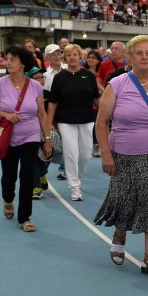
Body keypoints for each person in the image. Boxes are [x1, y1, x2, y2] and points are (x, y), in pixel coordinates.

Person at [94, 34, 148, 277]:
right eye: (139, 53)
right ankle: (119, 235)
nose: (144, 57)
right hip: (123, 156)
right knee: (124, 201)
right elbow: (101, 122)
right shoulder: (117, 84)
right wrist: (105, 154)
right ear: (129, 57)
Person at [0, 46, 51, 232]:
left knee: (27, 176)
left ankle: (25, 218)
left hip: (30, 136)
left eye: (12, 59)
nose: (8, 62)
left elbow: (42, 114)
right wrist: (6, 115)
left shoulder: (35, 86)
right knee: (9, 176)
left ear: (23, 63)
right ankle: (8, 200)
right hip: (8, 137)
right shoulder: (0, 83)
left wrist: (47, 139)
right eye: (7, 59)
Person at [46, 43, 99, 202]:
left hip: (86, 119)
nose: (72, 57)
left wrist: (106, 116)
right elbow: (53, 102)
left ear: (80, 57)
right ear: (65, 58)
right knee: (71, 153)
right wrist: (49, 123)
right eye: (69, 55)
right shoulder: (59, 77)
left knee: (85, 154)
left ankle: (78, 177)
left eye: (75, 55)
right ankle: (74, 187)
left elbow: (96, 99)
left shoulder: (89, 76)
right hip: (66, 120)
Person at [32, 44, 65, 199]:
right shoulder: (26, 94)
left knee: (50, 150)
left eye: (41, 77)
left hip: (50, 125)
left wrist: (51, 124)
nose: (40, 80)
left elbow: (51, 109)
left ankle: (42, 174)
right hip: (32, 129)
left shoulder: (47, 93)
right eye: (36, 78)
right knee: (34, 155)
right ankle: (36, 185)